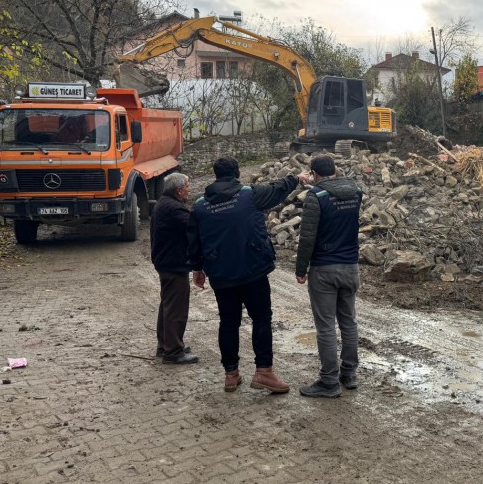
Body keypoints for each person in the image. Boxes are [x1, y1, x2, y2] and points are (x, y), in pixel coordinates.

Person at [187, 156, 309, 393]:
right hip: (253, 270)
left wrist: (197, 269)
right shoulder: (249, 194)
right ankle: (264, 372)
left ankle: (231, 374)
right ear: (237, 173)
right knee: (261, 319)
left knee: (228, 322)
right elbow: (277, 189)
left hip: (221, 274)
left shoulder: (200, 206)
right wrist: (296, 178)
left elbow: (194, 240)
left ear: (215, 175)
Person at [295, 154, 363, 398]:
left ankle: (329, 381)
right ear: (335, 169)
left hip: (324, 269)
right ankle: (349, 373)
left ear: (314, 174)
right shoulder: (356, 192)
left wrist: (301, 269)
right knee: (349, 322)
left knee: (325, 327)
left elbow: (307, 237)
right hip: (351, 267)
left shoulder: (316, 196)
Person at [150, 172, 198, 364]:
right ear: (178, 190)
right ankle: (174, 352)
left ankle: (165, 345)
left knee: (168, 305)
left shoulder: (163, 204)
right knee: (176, 309)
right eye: (187, 186)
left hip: (165, 262)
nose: (189, 189)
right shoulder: (175, 209)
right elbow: (194, 228)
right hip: (173, 264)